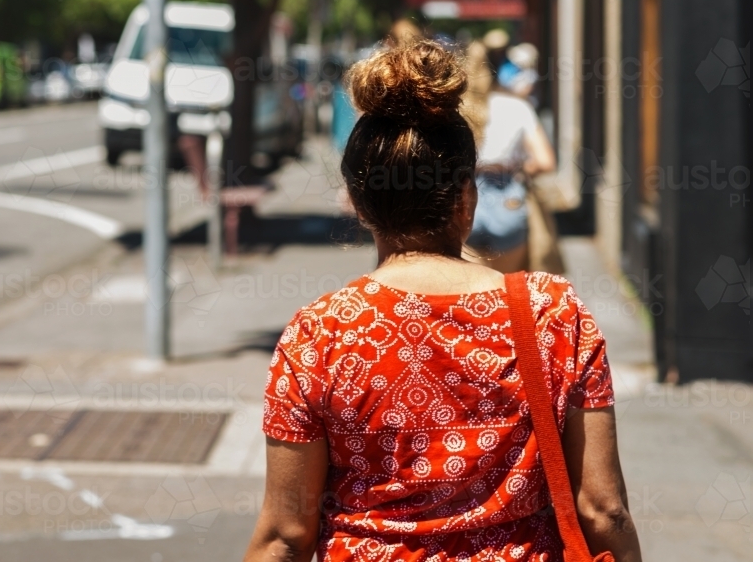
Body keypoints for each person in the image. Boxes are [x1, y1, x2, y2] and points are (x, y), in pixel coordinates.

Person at [243, 40, 642, 562]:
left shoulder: (320, 333)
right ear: (466, 198)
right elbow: (602, 508)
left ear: (360, 204)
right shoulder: (552, 313)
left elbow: (285, 535)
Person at [463, 40, 556, 273]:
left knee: (471, 295)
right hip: (507, 200)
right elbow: (546, 162)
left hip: (463, 200)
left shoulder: (458, 110)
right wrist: (521, 169)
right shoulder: (517, 107)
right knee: (507, 288)